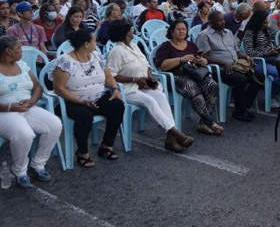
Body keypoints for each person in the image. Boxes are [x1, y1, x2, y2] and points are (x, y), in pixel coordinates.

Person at [106, 20, 193, 153]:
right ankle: (174, 132)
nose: (133, 31)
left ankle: (171, 138)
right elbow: (112, 75)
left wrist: (149, 76)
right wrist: (135, 79)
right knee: (150, 101)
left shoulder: (134, 46)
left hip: (143, 85)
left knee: (160, 96)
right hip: (128, 90)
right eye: (130, 29)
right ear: (125, 33)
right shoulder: (117, 51)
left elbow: (146, 64)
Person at [51, 28, 125, 168]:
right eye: (94, 41)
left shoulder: (96, 56)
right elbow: (59, 88)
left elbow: (108, 76)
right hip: (73, 100)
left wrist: (115, 89)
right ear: (86, 44)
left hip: (98, 96)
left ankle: (106, 145)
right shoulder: (65, 61)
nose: (96, 43)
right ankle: (82, 152)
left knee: (117, 106)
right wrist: (80, 101)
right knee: (84, 115)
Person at [0, 35, 62, 187]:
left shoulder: (21, 64)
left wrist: (32, 101)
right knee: (25, 134)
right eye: (19, 48)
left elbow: (37, 86)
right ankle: (20, 171)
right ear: (8, 51)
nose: (21, 51)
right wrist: (10, 107)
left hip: (27, 107)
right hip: (5, 112)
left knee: (54, 124)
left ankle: (38, 164)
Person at [155, 20, 223, 135]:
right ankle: (210, 122)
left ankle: (203, 123)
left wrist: (202, 61)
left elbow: (202, 59)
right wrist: (181, 59)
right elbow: (162, 65)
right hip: (175, 77)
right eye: (178, 29)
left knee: (212, 86)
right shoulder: (166, 46)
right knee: (193, 89)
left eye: (184, 29)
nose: (181, 31)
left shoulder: (191, 45)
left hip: (193, 74)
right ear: (172, 31)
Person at [196, 12, 261, 122]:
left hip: (236, 66)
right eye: (219, 20)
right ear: (211, 22)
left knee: (259, 75)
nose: (223, 22)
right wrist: (223, 63)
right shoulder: (204, 35)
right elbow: (203, 57)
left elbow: (237, 51)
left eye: (223, 20)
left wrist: (247, 58)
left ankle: (243, 106)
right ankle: (239, 111)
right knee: (241, 80)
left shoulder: (228, 32)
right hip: (218, 69)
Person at [242, 10, 280, 106]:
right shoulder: (250, 33)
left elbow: (269, 46)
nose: (266, 24)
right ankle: (270, 96)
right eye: (264, 22)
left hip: (271, 58)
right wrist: (266, 53)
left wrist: (275, 49)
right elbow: (249, 52)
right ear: (258, 21)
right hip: (259, 61)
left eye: (267, 22)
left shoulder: (265, 31)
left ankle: (276, 94)